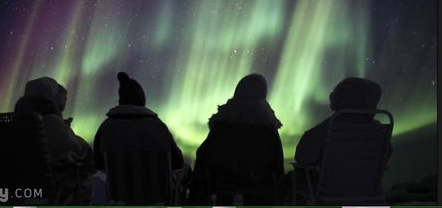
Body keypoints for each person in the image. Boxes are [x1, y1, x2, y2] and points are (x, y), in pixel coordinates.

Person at [188, 73, 285, 205]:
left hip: (222, 183)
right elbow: (277, 162)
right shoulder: (267, 124)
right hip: (258, 184)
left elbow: (204, 154)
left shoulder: (223, 122)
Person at [291, 77, 393, 200]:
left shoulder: (327, 130)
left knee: (294, 178)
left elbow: (302, 157)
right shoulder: (380, 133)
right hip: (366, 193)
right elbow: (387, 154)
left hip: (329, 194)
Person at [93, 72, 189, 203]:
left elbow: (99, 164)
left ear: (121, 99)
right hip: (157, 201)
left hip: (120, 201)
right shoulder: (158, 126)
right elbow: (177, 162)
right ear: (141, 98)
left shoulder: (106, 127)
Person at [14, 77, 96, 204]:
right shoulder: (50, 121)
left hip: (19, 176)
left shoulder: (17, 123)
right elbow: (73, 147)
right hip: (49, 179)